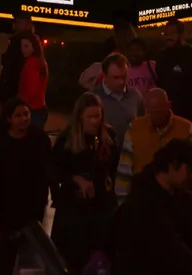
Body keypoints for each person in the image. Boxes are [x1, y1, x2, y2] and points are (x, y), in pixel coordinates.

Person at [112, 139, 192, 275]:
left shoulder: (186, 198)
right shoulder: (142, 201)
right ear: (173, 165)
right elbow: (167, 248)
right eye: (190, 170)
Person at [50, 92, 119, 273]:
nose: (95, 121)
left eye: (98, 116)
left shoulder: (108, 137)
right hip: (74, 214)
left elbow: (116, 167)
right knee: (75, 263)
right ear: (80, 117)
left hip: (102, 210)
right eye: (90, 117)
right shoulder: (67, 140)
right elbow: (54, 170)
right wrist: (76, 179)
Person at [0, 98, 52, 275]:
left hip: (33, 204)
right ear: (9, 119)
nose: (23, 119)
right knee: (8, 247)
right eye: (18, 115)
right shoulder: (0, 143)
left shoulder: (39, 138)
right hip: (8, 207)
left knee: (31, 248)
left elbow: (48, 168)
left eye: (26, 114)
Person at [116, 88, 192, 203]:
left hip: (177, 200)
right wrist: (123, 203)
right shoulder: (134, 129)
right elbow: (124, 171)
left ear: (169, 105)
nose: (155, 116)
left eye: (159, 112)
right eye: (152, 112)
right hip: (142, 199)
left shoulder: (187, 129)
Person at [156, 19, 192, 134]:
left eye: (172, 34)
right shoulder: (162, 57)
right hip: (169, 116)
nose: (168, 37)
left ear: (181, 35)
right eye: (165, 34)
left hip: (189, 114)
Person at [93, 53, 144, 139]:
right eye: (116, 77)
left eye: (124, 77)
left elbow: (143, 125)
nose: (121, 82)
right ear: (105, 76)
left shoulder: (135, 96)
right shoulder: (93, 98)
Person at [0, 12, 33, 104]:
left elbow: (13, 65)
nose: (15, 24)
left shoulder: (20, 40)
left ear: (26, 24)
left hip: (15, 89)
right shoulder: (30, 40)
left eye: (18, 22)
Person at [17, 32, 49, 130]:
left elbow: (32, 89)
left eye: (26, 46)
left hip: (32, 109)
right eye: (22, 46)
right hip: (39, 107)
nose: (23, 49)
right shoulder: (40, 61)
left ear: (34, 47)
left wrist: (20, 104)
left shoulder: (32, 63)